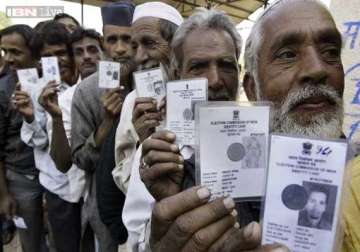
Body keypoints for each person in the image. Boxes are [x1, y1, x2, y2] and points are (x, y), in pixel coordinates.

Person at [135, 0, 347, 250]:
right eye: (288, 54)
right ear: (252, 87)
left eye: (331, 51)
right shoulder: (167, 161)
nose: (317, 68)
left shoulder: (352, 168)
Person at [15, 21, 85, 252]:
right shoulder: (35, 91)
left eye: (61, 53)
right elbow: (39, 141)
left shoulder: (84, 84)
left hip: (85, 187)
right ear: (39, 62)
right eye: (48, 56)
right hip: (59, 189)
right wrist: (29, 118)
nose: (58, 60)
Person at [70, 1, 135, 250]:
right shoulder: (86, 93)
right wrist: (107, 123)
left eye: (127, 39)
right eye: (112, 40)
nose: (119, 49)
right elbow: (81, 160)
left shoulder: (151, 84)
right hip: (106, 210)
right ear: (104, 43)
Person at [113, 1, 183, 194]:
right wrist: (142, 144)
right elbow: (122, 176)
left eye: (149, 43)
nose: (140, 57)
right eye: (135, 47)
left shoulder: (199, 92)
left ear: (176, 45)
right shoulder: (132, 102)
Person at [0, 24, 48, 252]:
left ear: (35, 53)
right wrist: (4, 195)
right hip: (22, 181)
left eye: (15, 52)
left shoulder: (51, 80)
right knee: (32, 244)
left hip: (54, 179)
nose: (8, 58)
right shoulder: (2, 91)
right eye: (4, 51)